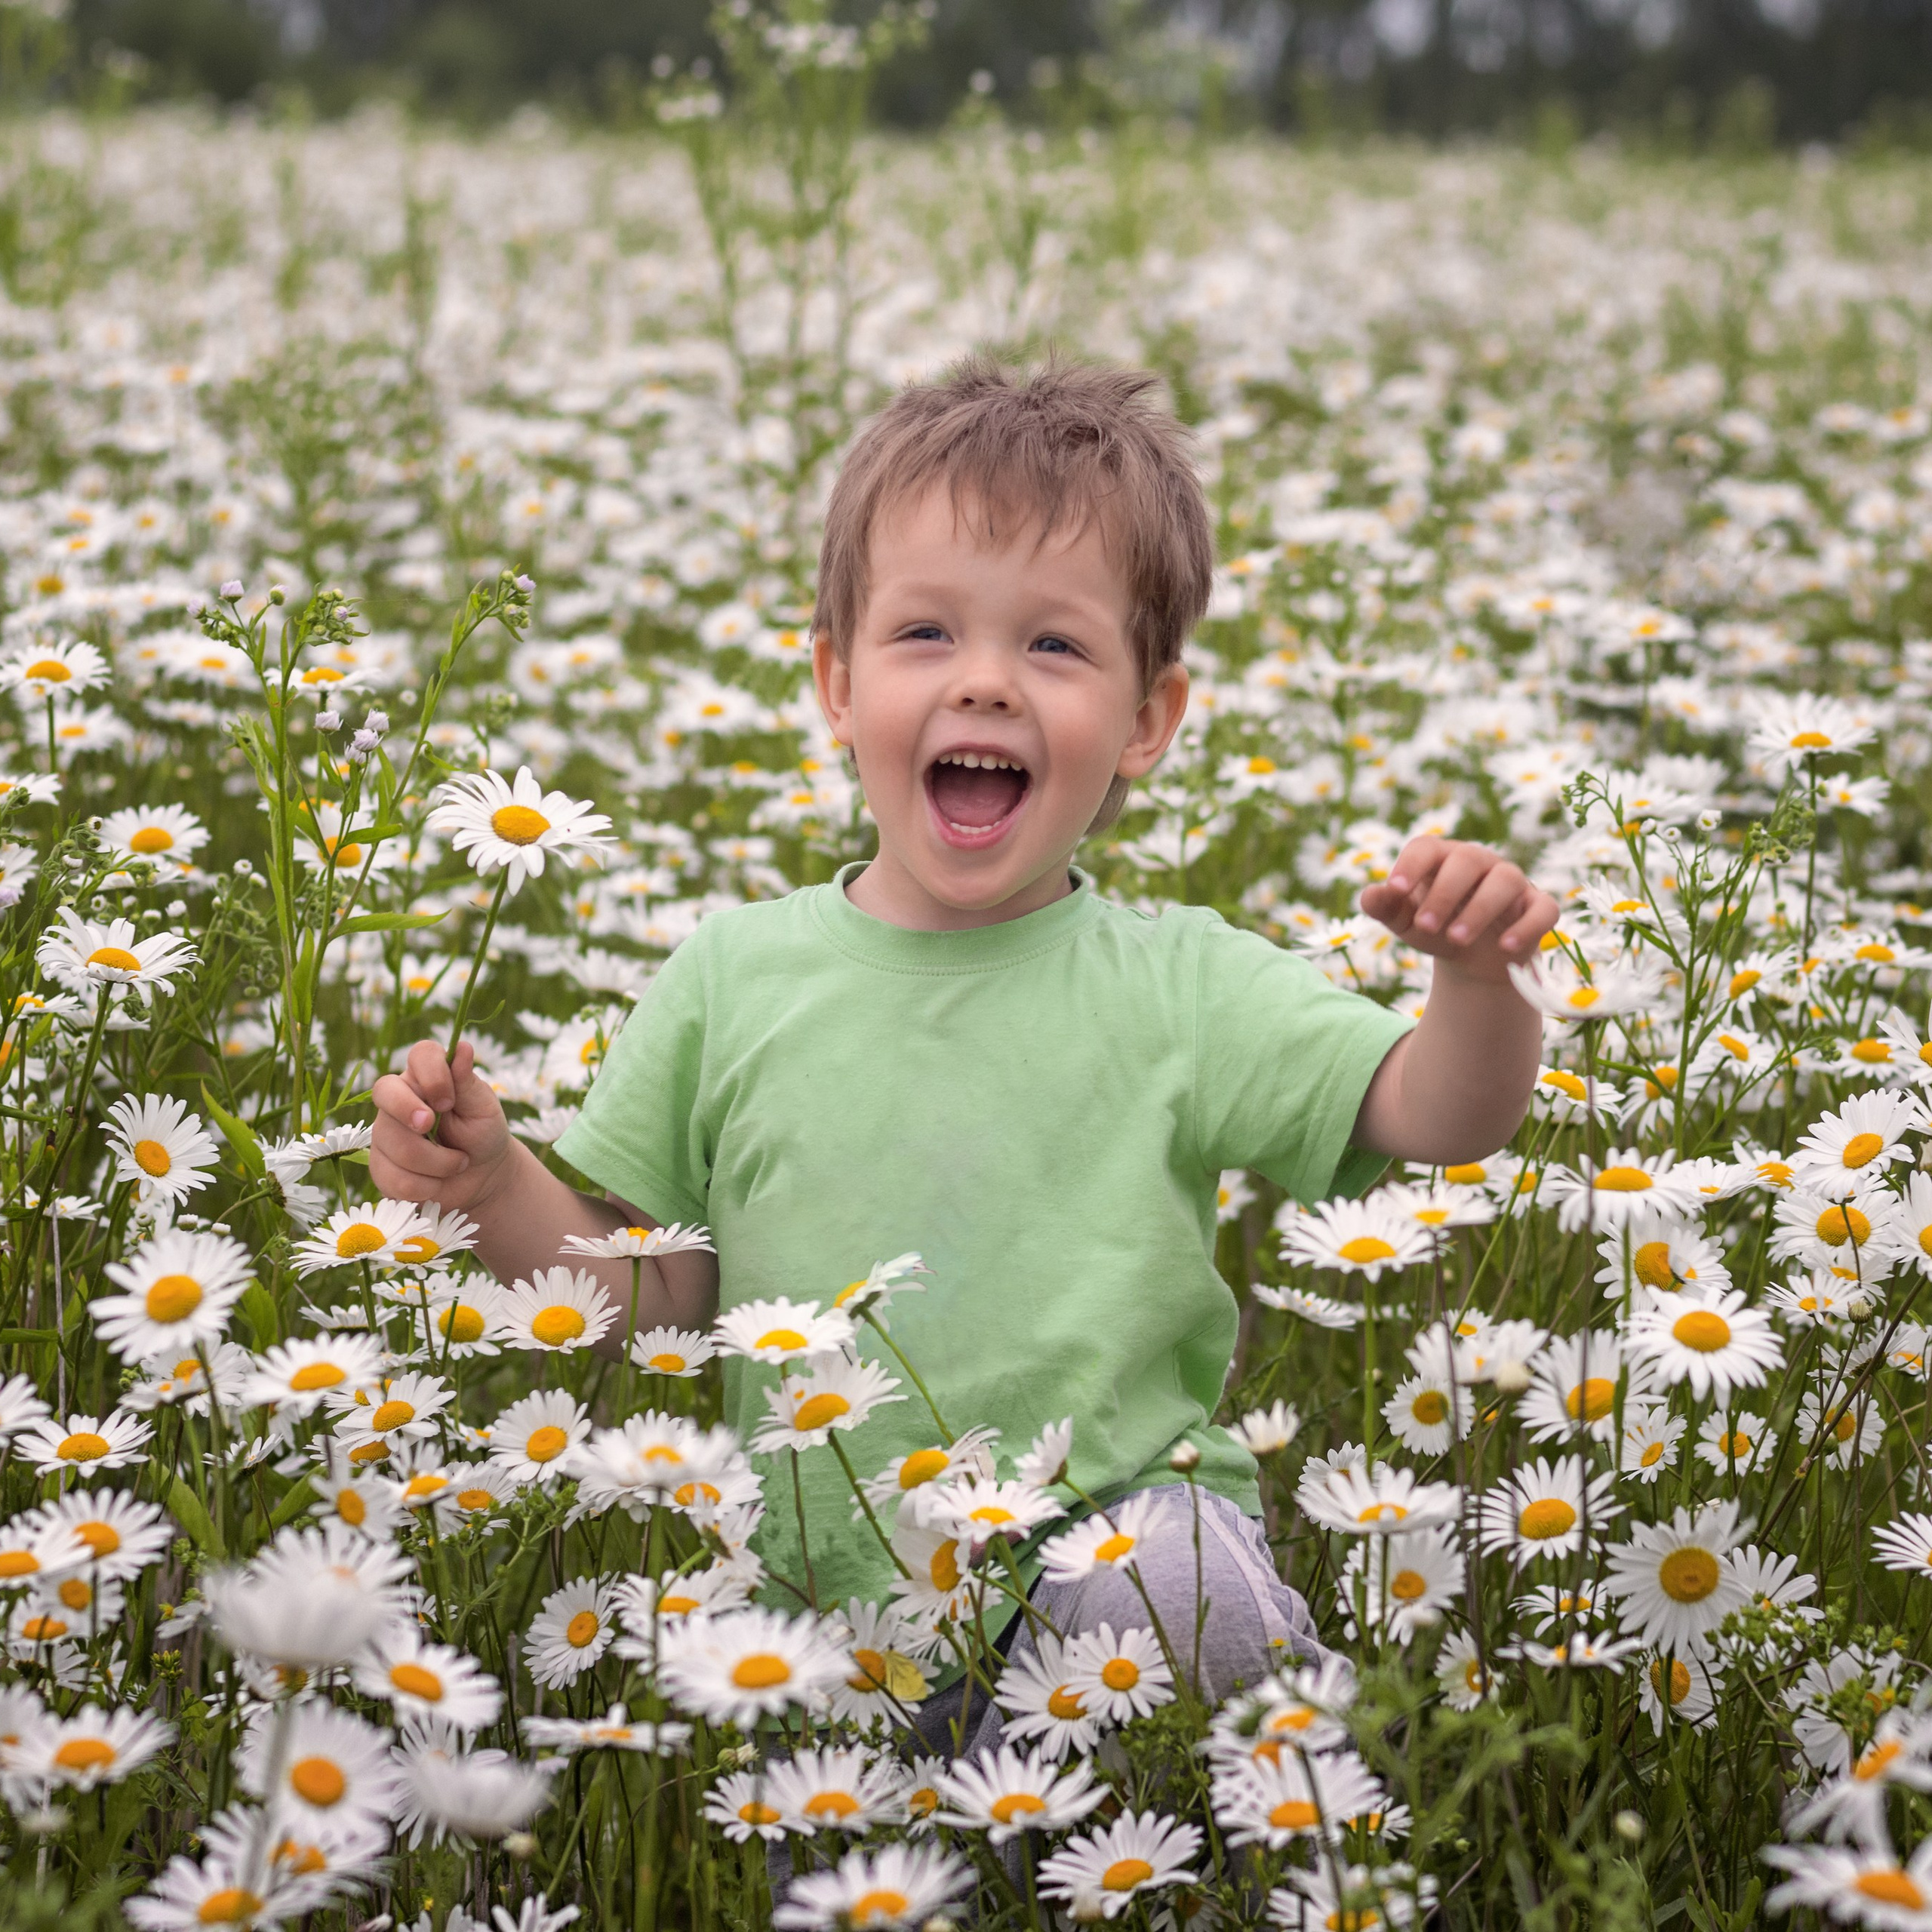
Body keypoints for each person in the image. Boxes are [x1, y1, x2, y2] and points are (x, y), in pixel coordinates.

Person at [369, 352, 1558, 1754]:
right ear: (836, 682)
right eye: (926, 634)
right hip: (820, 1627)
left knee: (1190, 1614)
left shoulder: (1184, 981)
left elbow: (1442, 1112)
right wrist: (495, 1183)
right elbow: (666, 1291)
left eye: (1054, 648)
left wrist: (1480, 982)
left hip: (1113, 1556)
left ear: (1147, 724)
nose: (986, 683)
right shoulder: (731, 976)